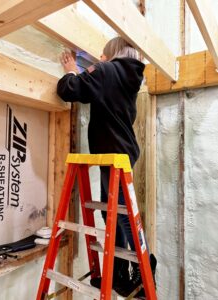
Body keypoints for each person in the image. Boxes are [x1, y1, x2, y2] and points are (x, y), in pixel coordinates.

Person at [57, 36, 156, 297]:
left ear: (111, 53)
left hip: (112, 152)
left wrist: (70, 71)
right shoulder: (129, 77)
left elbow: (69, 90)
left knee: (120, 215)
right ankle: (121, 271)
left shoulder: (105, 70)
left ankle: (145, 269)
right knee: (111, 212)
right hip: (122, 151)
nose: (99, 57)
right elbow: (97, 91)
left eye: (103, 53)